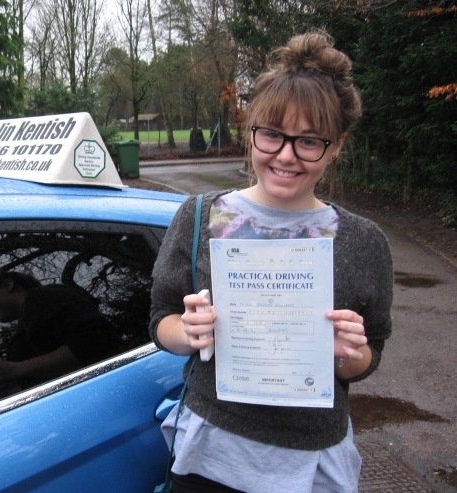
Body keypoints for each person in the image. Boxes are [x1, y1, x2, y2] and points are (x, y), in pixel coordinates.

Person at [149, 32, 393, 493]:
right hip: (210, 455)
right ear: (252, 131)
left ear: (336, 145)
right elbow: (161, 319)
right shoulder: (200, 217)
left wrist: (350, 354)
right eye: (273, 135)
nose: (286, 155)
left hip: (312, 466)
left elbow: (370, 353)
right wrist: (186, 332)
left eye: (309, 141)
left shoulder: (364, 242)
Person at [0, 269, 121, 392]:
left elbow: (95, 343)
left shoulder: (40, 297)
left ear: (8, 285)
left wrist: (13, 369)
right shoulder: (30, 316)